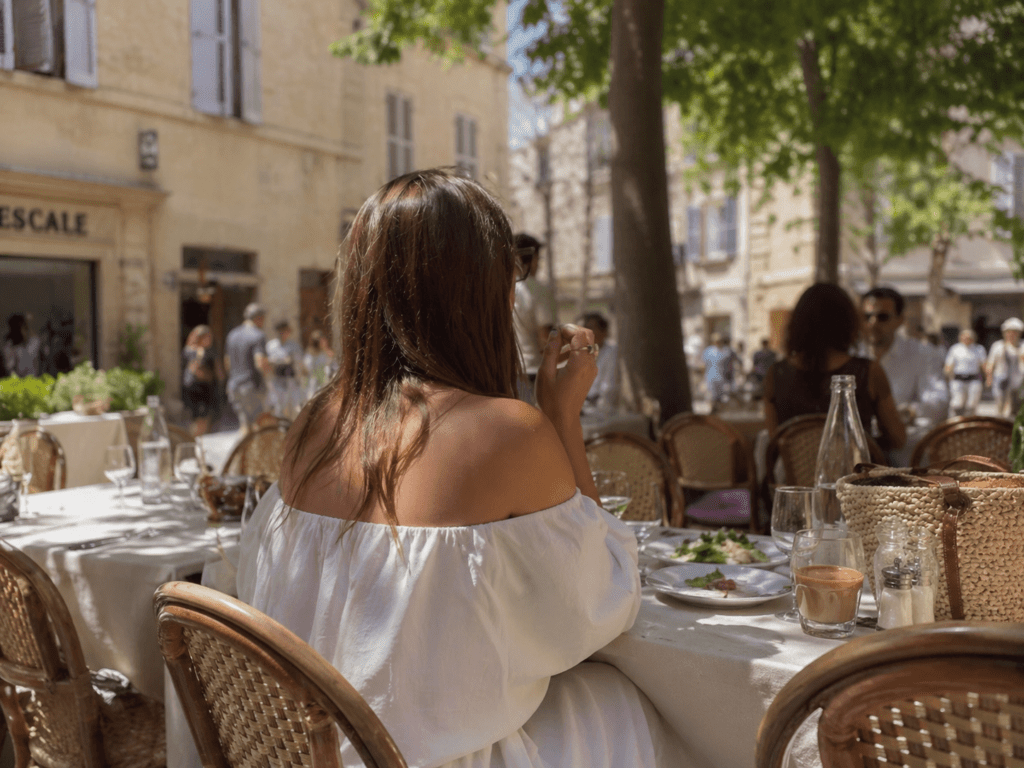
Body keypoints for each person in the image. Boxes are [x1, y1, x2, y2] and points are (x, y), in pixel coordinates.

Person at [237, 169, 674, 767]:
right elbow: (603, 603)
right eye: (510, 274)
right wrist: (561, 419)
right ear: (484, 291)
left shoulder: (314, 426)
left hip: (310, 755)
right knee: (632, 706)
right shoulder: (506, 433)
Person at [764, 283, 906, 452]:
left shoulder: (775, 374)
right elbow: (898, 438)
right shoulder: (868, 372)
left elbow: (775, 441)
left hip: (792, 476)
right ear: (848, 322)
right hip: (852, 474)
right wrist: (860, 442)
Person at [860, 287, 949, 425]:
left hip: (905, 442)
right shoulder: (850, 353)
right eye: (867, 317)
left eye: (882, 317)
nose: (873, 323)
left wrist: (907, 412)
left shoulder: (923, 353)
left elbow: (939, 403)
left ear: (900, 320)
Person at [512, 233, 555, 403]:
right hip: (532, 373)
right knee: (536, 426)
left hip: (508, 373)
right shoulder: (537, 290)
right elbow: (545, 337)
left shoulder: (500, 289)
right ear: (533, 258)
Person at [224, 303, 272, 433]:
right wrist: (269, 378)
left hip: (234, 386)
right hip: (251, 386)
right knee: (259, 425)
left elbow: (227, 362)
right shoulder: (258, 335)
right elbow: (260, 362)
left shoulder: (232, 335)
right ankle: (257, 453)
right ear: (259, 318)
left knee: (245, 425)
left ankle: (243, 453)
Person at [577, 311, 619, 413]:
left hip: (601, 408)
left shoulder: (612, 351)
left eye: (591, 328)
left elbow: (609, 388)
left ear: (604, 331)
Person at [181, 325, 218, 437]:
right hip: (197, 389)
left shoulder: (207, 351)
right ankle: (196, 443)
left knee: (204, 419)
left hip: (204, 389)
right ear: (201, 338)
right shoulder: (194, 351)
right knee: (200, 420)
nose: (210, 340)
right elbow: (195, 371)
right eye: (208, 337)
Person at [265, 320, 306, 420]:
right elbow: (267, 362)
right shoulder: (271, 346)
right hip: (278, 380)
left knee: (296, 407)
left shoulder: (294, 346)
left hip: (291, 380)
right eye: (282, 331)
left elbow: (300, 363)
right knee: (279, 408)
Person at [986, 317, 1024, 418]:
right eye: (1009, 332)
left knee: (1016, 410)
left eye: (1014, 332)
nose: (1011, 335)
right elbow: (990, 363)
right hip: (1001, 382)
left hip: (1018, 383)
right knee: (1001, 409)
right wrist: (989, 378)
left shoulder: (1022, 346)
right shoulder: (998, 346)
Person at [944, 329, 987, 418]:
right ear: (960, 338)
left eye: (969, 337)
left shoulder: (979, 349)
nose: (967, 339)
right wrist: (946, 376)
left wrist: (989, 377)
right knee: (957, 403)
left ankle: (970, 422)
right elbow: (949, 365)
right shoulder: (955, 349)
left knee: (971, 404)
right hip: (958, 379)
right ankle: (955, 421)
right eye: (964, 337)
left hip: (973, 379)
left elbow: (984, 365)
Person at [701, 333, 739, 410]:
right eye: (716, 341)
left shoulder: (728, 351)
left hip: (724, 379)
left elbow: (735, 362)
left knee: (724, 399)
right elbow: (703, 365)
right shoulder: (708, 351)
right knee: (713, 398)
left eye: (719, 340)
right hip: (711, 378)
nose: (717, 342)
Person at [303, 329, 335, 399]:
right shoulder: (310, 355)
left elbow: (332, 365)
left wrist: (326, 349)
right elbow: (307, 370)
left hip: (325, 384)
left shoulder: (325, 353)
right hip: (314, 386)